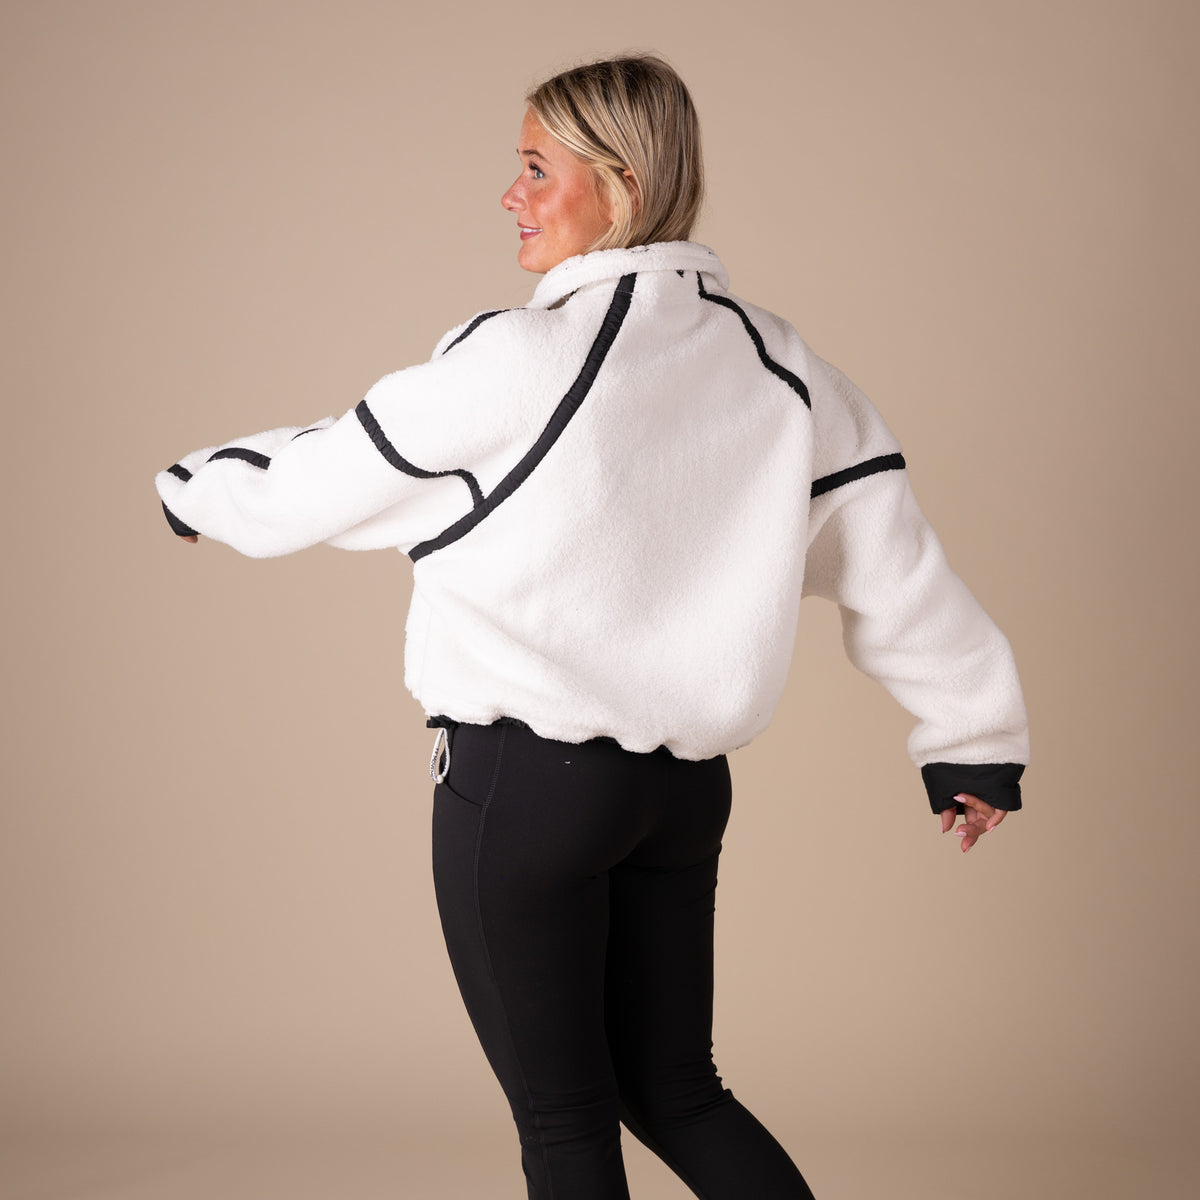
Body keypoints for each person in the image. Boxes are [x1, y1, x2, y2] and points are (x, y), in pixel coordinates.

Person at [156, 54, 1028, 1200]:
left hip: (526, 793)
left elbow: (335, 466)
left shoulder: (526, 357)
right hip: (681, 799)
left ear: (618, 185)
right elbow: (894, 558)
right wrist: (973, 736)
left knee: (566, 1127)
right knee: (678, 1090)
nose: (509, 196)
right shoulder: (783, 368)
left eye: (533, 168)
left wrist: (191, 488)